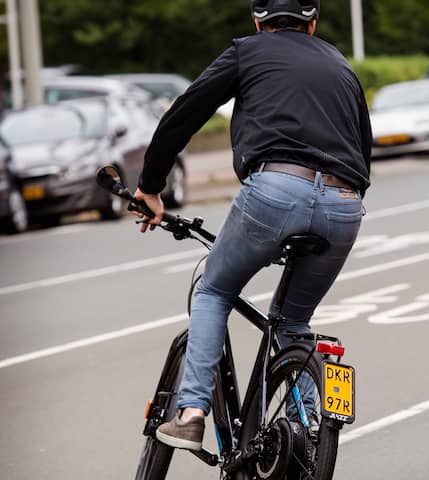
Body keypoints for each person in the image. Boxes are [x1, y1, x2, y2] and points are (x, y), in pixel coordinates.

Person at [132, 0, 372, 451]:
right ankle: (307, 428)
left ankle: (191, 414)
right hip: (345, 204)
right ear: (313, 23)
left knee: (214, 290)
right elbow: (363, 145)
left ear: (257, 21)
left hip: (274, 193)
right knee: (294, 322)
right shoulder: (340, 63)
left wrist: (150, 185)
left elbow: (186, 112)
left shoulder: (248, 50)